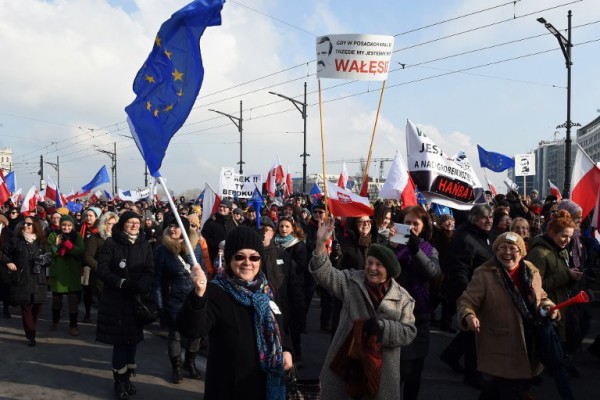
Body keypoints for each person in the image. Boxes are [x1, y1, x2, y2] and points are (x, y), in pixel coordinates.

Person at [177, 225, 293, 400]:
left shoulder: (268, 289)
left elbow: (280, 325)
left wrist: (286, 350)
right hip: (230, 388)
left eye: (254, 257)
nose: (248, 263)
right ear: (230, 259)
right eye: (240, 257)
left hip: (266, 383)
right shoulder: (217, 290)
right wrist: (198, 294)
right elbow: (192, 330)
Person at [309, 217, 417, 399]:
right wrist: (320, 244)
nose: (372, 268)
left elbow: (409, 332)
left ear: (389, 270)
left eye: (378, 265)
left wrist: (382, 328)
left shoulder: (403, 298)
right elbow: (324, 274)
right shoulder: (352, 281)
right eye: (370, 263)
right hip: (346, 366)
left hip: (381, 371)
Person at [457, 232, 559, 399]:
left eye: (513, 248)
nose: (507, 252)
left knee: (499, 389)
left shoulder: (531, 270)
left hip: (529, 341)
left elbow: (542, 297)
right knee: (510, 388)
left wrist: (549, 307)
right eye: (502, 248)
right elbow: (466, 301)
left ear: (521, 252)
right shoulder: (484, 273)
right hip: (501, 342)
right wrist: (468, 315)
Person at [96, 211, 155, 400]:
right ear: (122, 224)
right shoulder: (111, 243)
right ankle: (119, 381)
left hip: (136, 301)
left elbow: (150, 269)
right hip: (117, 300)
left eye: (137, 222)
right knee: (121, 343)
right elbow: (102, 270)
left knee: (133, 341)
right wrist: (121, 282)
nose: (134, 225)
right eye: (130, 222)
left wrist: (143, 284)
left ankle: (128, 377)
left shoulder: (144, 244)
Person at [441, 204, 494, 389]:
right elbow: (459, 270)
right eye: (484, 217)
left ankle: (451, 355)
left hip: (479, 292)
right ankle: (473, 375)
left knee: (472, 331)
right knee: (474, 335)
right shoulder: (466, 239)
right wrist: (467, 298)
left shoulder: (480, 236)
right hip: (471, 293)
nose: (488, 221)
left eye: (490, 217)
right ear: (473, 219)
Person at [395, 206, 440, 400]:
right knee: (395, 373)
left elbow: (432, 273)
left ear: (424, 226)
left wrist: (414, 250)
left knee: (413, 372)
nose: (411, 227)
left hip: (418, 316)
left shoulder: (429, 249)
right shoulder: (393, 245)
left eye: (416, 223)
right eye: (407, 223)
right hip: (392, 313)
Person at [153, 215, 204, 384]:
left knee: (196, 333)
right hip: (173, 299)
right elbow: (157, 280)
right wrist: (160, 305)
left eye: (177, 226)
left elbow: (203, 272)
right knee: (174, 335)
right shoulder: (162, 250)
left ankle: (190, 363)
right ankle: (176, 368)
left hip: (193, 297)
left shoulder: (195, 248)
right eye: (170, 226)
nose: (173, 229)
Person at [2, 217, 51, 346]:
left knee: (38, 305)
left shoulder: (42, 242)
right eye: (24, 223)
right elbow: (3, 254)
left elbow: (50, 257)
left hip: (38, 278)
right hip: (22, 277)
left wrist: (44, 260)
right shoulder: (16, 241)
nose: (26, 226)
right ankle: (30, 334)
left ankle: (32, 327)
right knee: (26, 306)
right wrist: (8, 262)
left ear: (35, 226)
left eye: (29, 224)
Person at [47, 214, 85, 336]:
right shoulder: (53, 235)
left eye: (69, 225)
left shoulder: (77, 236)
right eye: (63, 225)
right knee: (56, 301)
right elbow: (49, 253)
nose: (66, 227)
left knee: (73, 301)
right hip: (58, 273)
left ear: (73, 226)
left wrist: (71, 246)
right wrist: (56, 245)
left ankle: (73, 325)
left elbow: (81, 253)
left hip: (72, 273)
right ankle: (54, 320)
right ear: (60, 225)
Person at [83, 211, 118, 304]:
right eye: (109, 224)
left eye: (114, 224)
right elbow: (88, 256)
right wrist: (100, 268)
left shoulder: (119, 238)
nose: (112, 226)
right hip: (101, 277)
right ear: (104, 224)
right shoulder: (95, 238)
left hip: (116, 276)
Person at [80, 207, 101, 323]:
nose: (88, 218)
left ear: (96, 217)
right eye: (86, 215)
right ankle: (87, 313)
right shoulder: (81, 228)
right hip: (84, 264)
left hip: (96, 263)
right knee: (86, 290)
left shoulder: (99, 230)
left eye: (91, 216)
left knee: (98, 291)